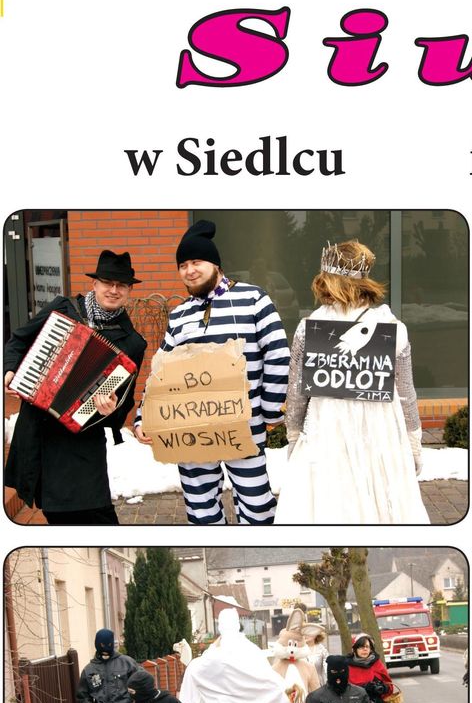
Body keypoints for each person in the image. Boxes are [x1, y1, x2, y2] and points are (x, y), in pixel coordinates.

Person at [134, 219, 289, 525]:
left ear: (215, 264)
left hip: (243, 425)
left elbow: (278, 353)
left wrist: (271, 411)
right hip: (191, 432)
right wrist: (143, 416)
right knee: (201, 510)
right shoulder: (179, 316)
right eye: (182, 265)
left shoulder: (253, 299)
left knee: (257, 508)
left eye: (196, 262)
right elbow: (161, 372)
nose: (189, 270)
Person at [279, 240, 427, 523]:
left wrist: (295, 437)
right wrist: (412, 442)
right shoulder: (392, 328)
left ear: (325, 280)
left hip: (328, 431)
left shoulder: (310, 328)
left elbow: (297, 393)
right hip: (381, 433)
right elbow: (406, 392)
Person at [4, 250, 147, 524]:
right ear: (95, 284)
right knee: (54, 513)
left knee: (96, 518)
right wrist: (10, 370)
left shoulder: (132, 344)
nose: (113, 290)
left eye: (121, 286)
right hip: (37, 432)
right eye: (107, 282)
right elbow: (18, 341)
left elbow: (122, 409)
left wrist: (110, 409)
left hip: (79, 443)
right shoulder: (63, 309)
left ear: (129, 291)